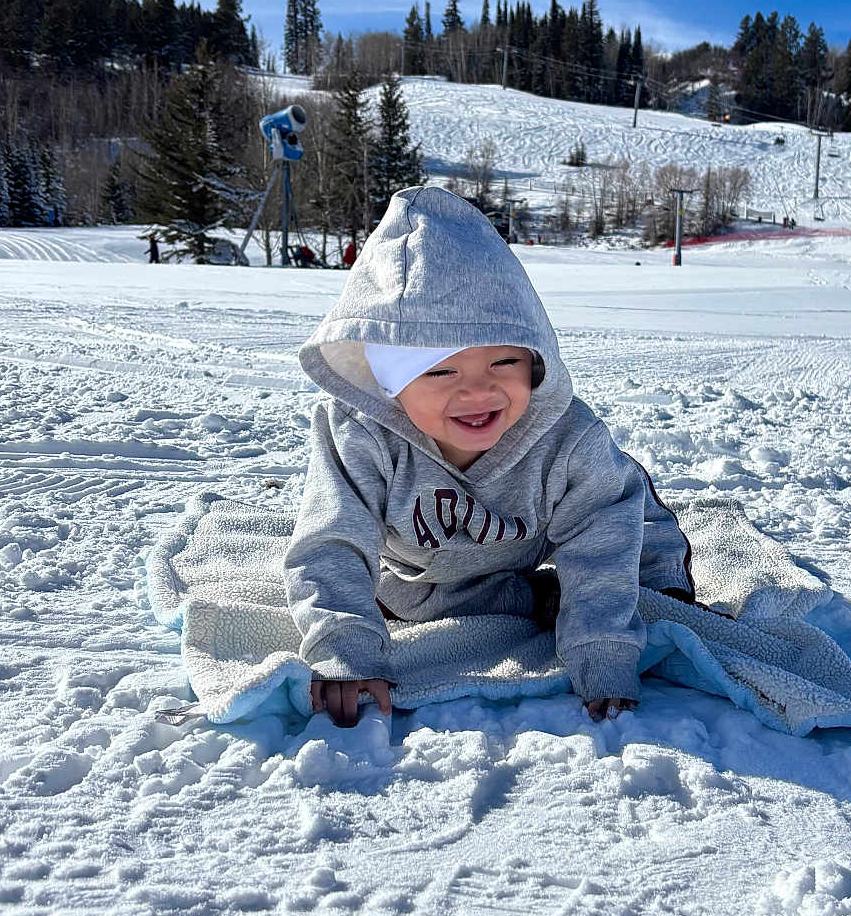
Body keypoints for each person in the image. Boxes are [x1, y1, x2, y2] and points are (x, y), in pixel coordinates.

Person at [285, 186, 695, 728]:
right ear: (385, 383)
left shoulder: (568, 437)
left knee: (631, 517)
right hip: (427, 571)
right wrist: (346, 647)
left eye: (504, 361)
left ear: (536, 358)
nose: (478, 392)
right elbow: (332, 540)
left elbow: (603, 541)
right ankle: (530, 597)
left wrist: (603, 652)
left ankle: (656, 582)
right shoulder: (361, 437)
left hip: (552, 535)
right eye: (439, 370)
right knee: (412, 598)